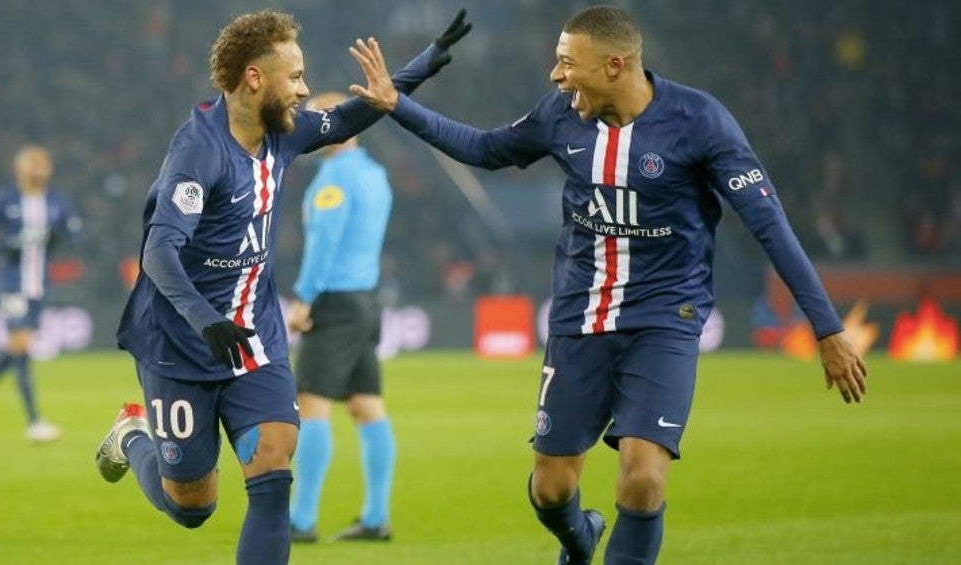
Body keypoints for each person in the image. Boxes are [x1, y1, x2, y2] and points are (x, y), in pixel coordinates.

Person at [348, 6, 868, 564]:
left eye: (568, 63)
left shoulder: (700, 121)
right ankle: (580, 540)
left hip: (666, 319)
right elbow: (486, 149)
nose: (556, 75)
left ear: (615, 66)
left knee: (642, 481)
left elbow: (770, 226)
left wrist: (827, 328)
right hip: (579, 318)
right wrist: (397, 105)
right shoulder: (561, 116)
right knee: (551, 490)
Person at [93, 9, 469, 565]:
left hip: (253, 336)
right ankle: (132, 434)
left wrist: (426, 63)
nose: (305, 89)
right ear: (254, 78)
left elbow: (348, 117)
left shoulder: (282, 136)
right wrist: (205, 319)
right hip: (179, 342)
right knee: (193, 507)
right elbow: (158, 252)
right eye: (294, 77)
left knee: (273, 468)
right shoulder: (200, 153)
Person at [286, 91, 396, 543]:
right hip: (367, 300)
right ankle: (375, 517)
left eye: (317, 120)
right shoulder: (375, 174)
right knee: (366, 405)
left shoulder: (333, 180)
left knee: (311, 402)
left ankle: (301, 520)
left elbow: (324, 245)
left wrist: (304, 298)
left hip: (335, 300)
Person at [0, 145, 81, 443]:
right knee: (21, 344)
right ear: (20, 168)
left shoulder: (56, 202)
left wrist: (61, 240)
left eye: (43, 164)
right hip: (12, 282)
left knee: (19, 347)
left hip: (39, 283)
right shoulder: (4, 200)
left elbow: (74, 234)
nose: (39, 169)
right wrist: (8, 245)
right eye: (33, 164)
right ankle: (34, 422)